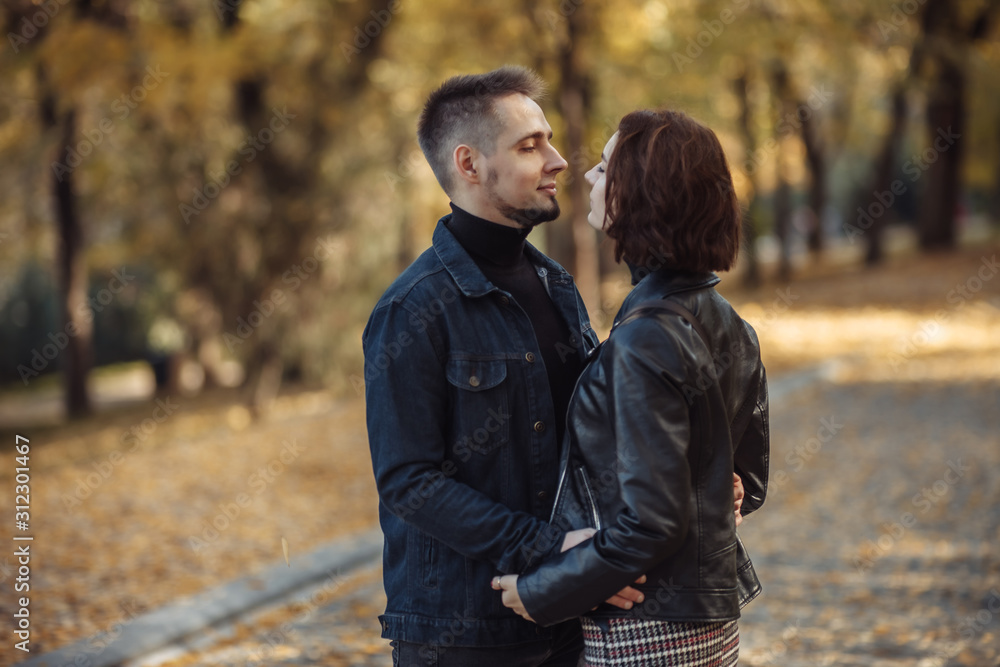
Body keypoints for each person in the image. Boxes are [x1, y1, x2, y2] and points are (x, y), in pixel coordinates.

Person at [363, 65, 644, 667]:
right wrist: (551, 549)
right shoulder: (411, 310)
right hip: (462, 634)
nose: (559, 160)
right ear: (469, 165)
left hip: (564, 614)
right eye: (529, 145)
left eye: (547, 139)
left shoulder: (555, 283)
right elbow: (409, 482)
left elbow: (592, 434)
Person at [494, 109, 770, 667]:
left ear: (644, 192)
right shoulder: (728, 322)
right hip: (704, 620)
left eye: (603, 167)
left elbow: (653, 521)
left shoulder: (648, 336)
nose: (589, 178)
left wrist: (541, 592)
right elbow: (748, 481)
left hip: (650, 628)